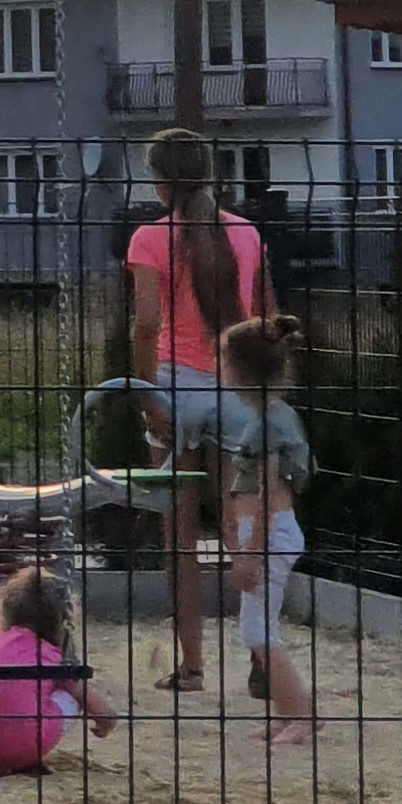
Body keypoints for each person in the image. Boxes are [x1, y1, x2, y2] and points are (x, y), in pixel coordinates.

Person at [127, 126, 268, 691]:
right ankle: (262, 655)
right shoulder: (247, 234)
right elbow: (263, 318)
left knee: (178, 535)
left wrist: (144, 394)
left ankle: (191, 667)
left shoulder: (150, 239)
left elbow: (146, 324)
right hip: (235, 386)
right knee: (243, 529)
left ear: (161, 182)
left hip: (174, 384)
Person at [173, 316, 321, 749]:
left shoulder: (265, 425)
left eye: (221, 359)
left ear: (239, 367)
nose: (216, 367)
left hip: (267, 533)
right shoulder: (273, 417)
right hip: (267, 531)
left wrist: (249, 553)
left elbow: (267, 493)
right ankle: (286, 711)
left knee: (258, 632)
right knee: (258, 628)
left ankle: (302, 716)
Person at [0, 566, 122, 776]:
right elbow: (83, 695)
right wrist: (106, 719)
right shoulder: (49, 654)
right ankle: (26, 756)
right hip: (27, 745)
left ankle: (0, 755)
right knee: (69, 691)